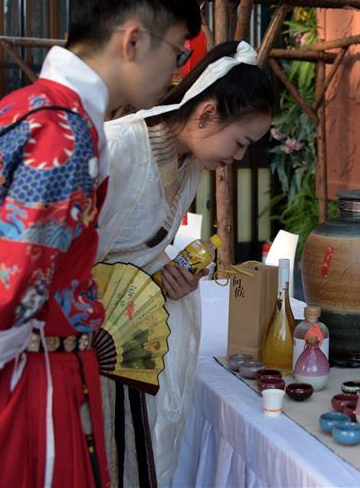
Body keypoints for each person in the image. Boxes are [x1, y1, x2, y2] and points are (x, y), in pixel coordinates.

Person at [0, 0, 200, 488]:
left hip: (11, 382)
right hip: (22, 395)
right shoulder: (62, 137)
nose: (176, 72)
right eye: (178, 51)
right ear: (133, 42)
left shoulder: (23, 108)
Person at [96, 39, 274, 487]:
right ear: (207, 113)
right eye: (240, 142)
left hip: (135, 337)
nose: (236, 157)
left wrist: (170, 274)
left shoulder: (191, 163)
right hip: (90, 337)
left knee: (134, 452)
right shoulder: (116, 148)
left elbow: (144, 252)